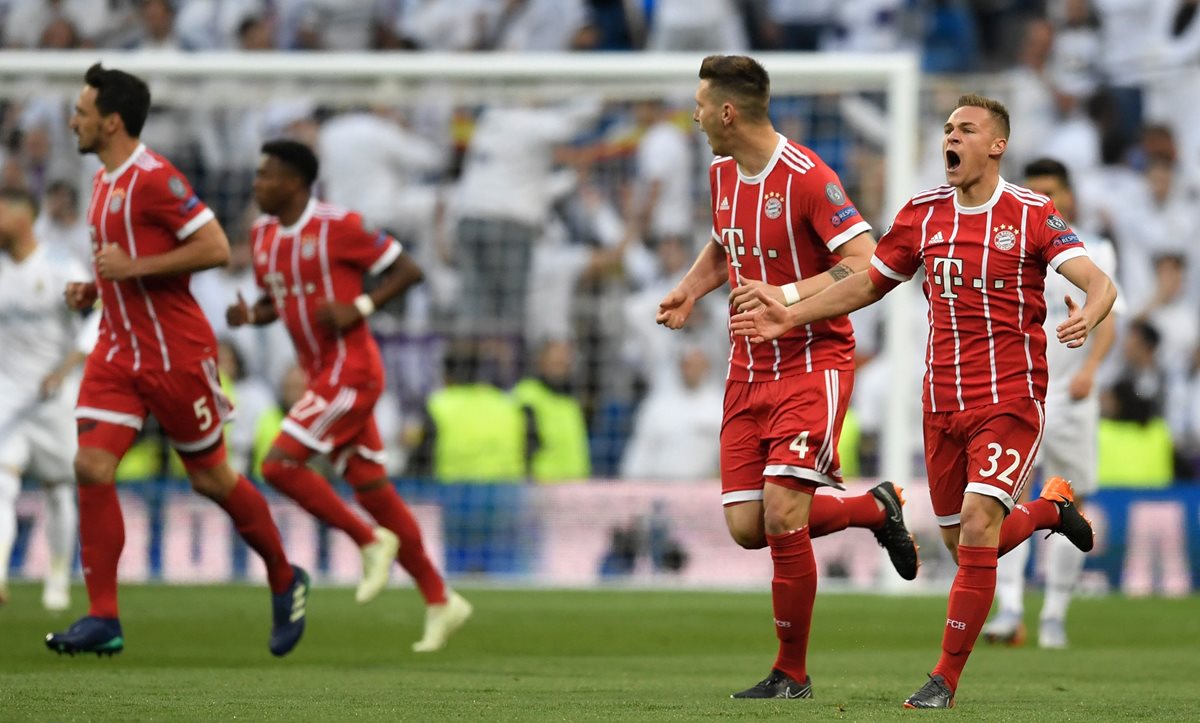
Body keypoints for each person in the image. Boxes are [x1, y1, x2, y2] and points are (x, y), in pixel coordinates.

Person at [729, 94, 1118, 708]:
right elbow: (866, 282)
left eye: (965, 129)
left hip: (1010, 399)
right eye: (946, 129)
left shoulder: (1033, 213)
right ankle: (1048, 512)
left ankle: (945, 679)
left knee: (978, 523)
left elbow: (1099, 282)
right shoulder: (922, 214)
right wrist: (789, 316)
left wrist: (1089, 315)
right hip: (941, 403)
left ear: (997, 145)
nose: (950, 138)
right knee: (962, 546)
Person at [656, 55, 919, 700]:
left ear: (727, 111)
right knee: (747, 526)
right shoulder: (721, 173)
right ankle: (870, 507)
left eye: (699, 102)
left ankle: (791, 674)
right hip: (747, 367)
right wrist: (691, 291)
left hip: (812, 363)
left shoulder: (808, 177)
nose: (692, 114)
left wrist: (788, 295)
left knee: (781, 513)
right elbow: (726, 244)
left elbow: (865, 263)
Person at [47, 64, 309, 658]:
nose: (73, 121)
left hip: (175, 356)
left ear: (111, 122)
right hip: (117, 350)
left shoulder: (155, 178)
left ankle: (284, 575)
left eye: (82, 113)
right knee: (91, 465)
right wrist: (97, 289)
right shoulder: (102, 182)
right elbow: (124, 261)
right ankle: (103, 618)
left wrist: (131, 272)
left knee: (210, 478)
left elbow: (214, 246)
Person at [226, 139, 471, 652]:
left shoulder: (339, 225)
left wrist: (359, 305)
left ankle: (368, 541)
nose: (257, 184)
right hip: (321, 376)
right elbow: (279, 302)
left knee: (278, 466)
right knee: (374, 490)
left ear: (294, 182)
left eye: (266, 175)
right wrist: (253, 314)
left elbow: (409, 270)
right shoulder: (264, 235)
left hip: (353, 370)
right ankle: (441, 599)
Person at [982, 158, 1120, 650]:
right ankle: (1011, 609)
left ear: (1069, 196)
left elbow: (1110, 320)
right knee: (1008, 500)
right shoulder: (1011, 243)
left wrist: (1088, 369)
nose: (1045, 201)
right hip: (1022, 391)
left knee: (1069, 501)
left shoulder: (1096, 251)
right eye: (1035, 191)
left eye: (1052, 192)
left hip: (1073, 395)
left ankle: (1055, 613)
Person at [0, 187, 89, 611]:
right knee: (1, 482)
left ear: (21, 218)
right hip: (8, 393)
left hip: (55, 395)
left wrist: (66, 366)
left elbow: (98, 315)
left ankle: (57, 579)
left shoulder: (59, 267)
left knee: (58, 488)